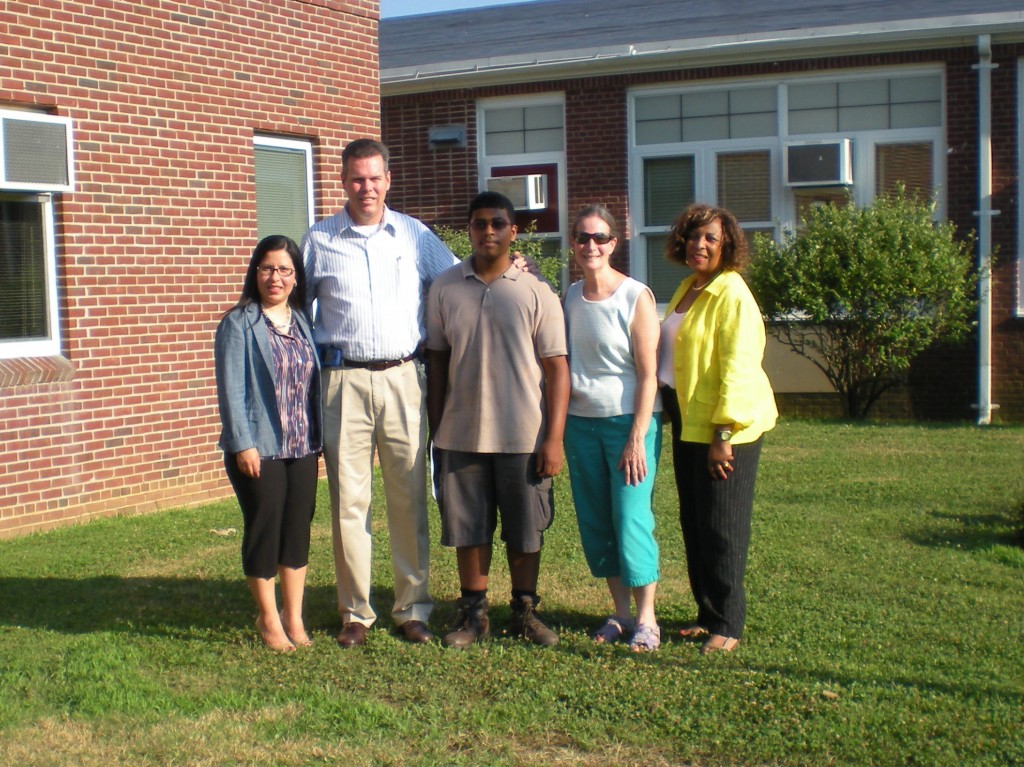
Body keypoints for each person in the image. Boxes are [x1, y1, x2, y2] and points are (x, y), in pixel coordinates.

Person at [301, 138, 457, 647]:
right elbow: (296, 308)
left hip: (403, 378)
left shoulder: (412, 234)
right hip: (342, 381)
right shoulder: (320, 239)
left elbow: (455, 278)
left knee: (409, 496)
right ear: (343, 181)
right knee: (349, 500)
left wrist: (512, 268)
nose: (365, 187)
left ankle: (412, 608)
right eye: (356, 179)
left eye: (374, 178)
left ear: (388, 179)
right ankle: (355, 613)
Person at [426, 191, 570, 649]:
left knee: (526, 530)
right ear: (469, 229)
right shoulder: (445, 287)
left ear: (512, 230)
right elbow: (437, 361)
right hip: (461, 432)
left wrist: (554, 439)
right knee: (469, 528)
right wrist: (436, 431)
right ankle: (474, 613)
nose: (488, 231)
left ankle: (524, 610)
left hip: (524, 434)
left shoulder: (536, 291)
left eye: (497, 223)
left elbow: (557, 369)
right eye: (478, 223)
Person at [658, 203, 778, 655]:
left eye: (710, 237)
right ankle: (706, 612)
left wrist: (723, 435)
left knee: (723, 526)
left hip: (723, 430)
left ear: (727, 244)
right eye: (692, 236)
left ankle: (728, 622)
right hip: (688, 422)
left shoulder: (732, 294)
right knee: (695, 522)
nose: (699, 244)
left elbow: (738, 368)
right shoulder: (689, 287)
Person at [562, 205, 664, 652]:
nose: (591, 246)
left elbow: (648, 375)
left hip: (629, 424)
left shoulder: (634, 296)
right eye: (583, 238)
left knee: (630, 519)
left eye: (600, 238)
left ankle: (647, 619)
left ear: (614, 242)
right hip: (580, 426)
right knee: (597, 521)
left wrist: (638, 437)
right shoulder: (569, 297)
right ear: (573, 244)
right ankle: (620, 614)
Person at [214, 234, 322, 652]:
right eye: (267, 268)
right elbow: (231, 389)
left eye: (284, 270)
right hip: (260, 446)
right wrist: (243, 443)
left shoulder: (303, 322)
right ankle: (268, 617)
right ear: (255, 273)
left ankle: (294, 616)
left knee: (297, 529)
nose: (275, 277)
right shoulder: (239, 322)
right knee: (266, 527)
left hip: (303, 445)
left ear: (296, 278)